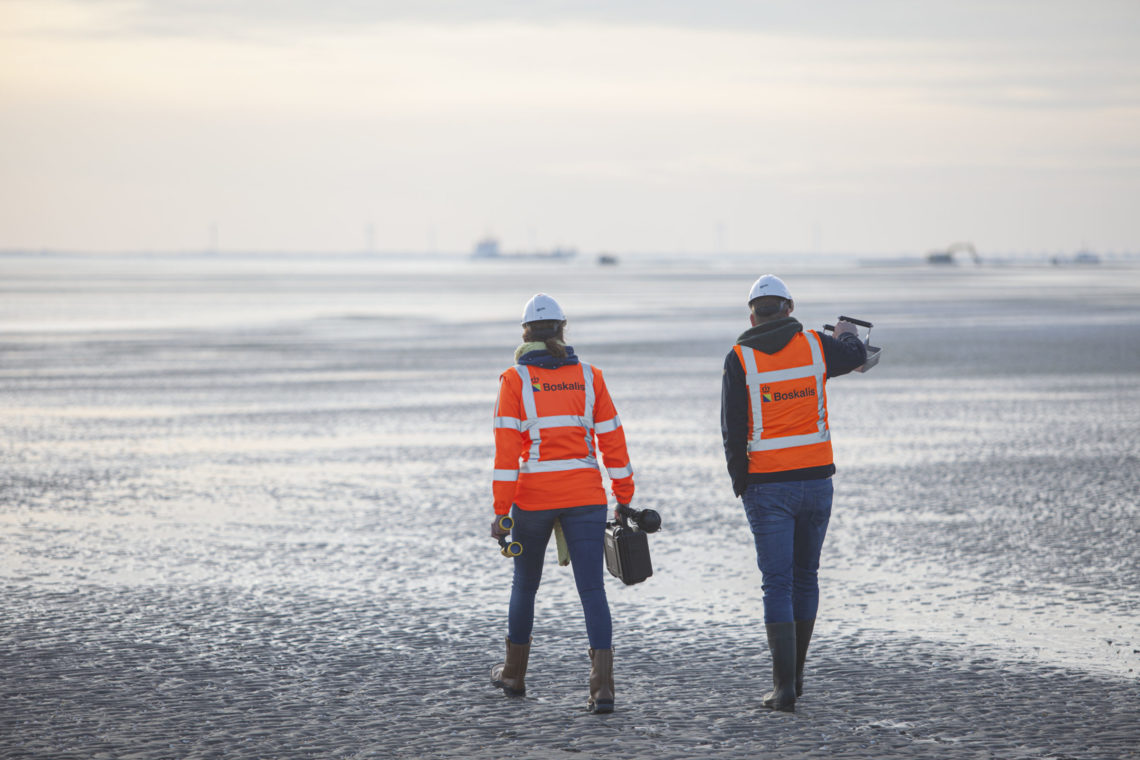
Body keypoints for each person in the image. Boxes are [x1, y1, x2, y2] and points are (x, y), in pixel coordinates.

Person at [720, 274, 868, 712]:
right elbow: (856, 355)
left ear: (752, 314)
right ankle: (796, 679)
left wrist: (740, 484)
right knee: (806, 577)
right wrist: (846, 334)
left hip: (767, 488)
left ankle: (783, 687)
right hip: (817, 483)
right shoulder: (814, 346)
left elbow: (733, 431)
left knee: (777, 583)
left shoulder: (739, 358)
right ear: (789, 308)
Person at [489, 293, 636, 714]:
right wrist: (624, 496)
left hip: (532, 501)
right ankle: (602, 686)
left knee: (525, 585)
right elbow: (613, 442)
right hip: (586, 498)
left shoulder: (514, 380)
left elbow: (505, 457)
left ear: (525, 333)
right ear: (562, 330)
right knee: (592, 589)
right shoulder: (591, 377)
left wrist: (501, 513)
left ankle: (514, 674)